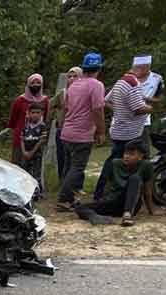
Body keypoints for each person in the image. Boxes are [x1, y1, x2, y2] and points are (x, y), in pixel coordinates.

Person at [57, 53, 106, 209]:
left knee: (69, 166)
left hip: (67, 132)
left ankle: (69, 198)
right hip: (82, 134)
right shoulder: (96, 85)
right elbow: (98, 110)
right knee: (77, 168)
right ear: (98, 68)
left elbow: (65, 108)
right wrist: (101, 131)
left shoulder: (74, 85)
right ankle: (64, 199)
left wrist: (62, 125)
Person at [94, 73, 151, 200]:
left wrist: (119, 111)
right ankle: (105, 193)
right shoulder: (131, 83)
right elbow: (138, 109)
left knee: (115, 162)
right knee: (125, 163)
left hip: (120, 130)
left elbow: (106, 100)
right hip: (127, 132)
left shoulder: (121, 83)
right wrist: (151, 108)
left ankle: (105, 192)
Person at [73, 139, 153, 226]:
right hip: (114, 202)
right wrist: (102, 200)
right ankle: (95, 217)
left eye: (131, 154)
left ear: (141, 156)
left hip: (132, 205)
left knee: (135, 179)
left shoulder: (146, 165)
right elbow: (107, 184)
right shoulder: (115, 163)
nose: (126, 156)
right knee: (80, 208)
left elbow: (147, 190)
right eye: (125, 153)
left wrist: (151, 211)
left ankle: (127, 215)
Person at [8, 74, 49, 164]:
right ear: (28, 84)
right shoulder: (20, 100)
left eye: (38, 82)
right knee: (17, 164)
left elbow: (46, 118)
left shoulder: (45, 100)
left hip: (37, 138)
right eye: (33, 82)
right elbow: (13, 120)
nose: (35, 85)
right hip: (21, 137)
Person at [50, 67, 82, 180]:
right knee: (62, 157)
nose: (72, 79)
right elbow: (49, 106)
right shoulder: (62, 93)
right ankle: (62, 182)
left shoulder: (84, 93)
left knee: (75, 159)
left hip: (78, 131)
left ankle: (74, 183)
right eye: (69, 76)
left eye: (75, 76)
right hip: (62, 130)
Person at [132, 55, 164, 148]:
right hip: (126, 118)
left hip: (143, 119)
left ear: (147, 67)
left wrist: (145, 98)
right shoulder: (129, 77)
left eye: (140, 68)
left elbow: (160, 99)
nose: (137, 70)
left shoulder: (157, 79)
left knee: (143, 147)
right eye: (136, 67)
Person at [20, 103, 47, 190]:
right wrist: (24, 152)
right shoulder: (26, 126)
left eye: (37, 112)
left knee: (36, 174)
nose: (35, 115)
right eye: (33, 112)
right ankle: (25, 190)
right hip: (25, 154)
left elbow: (42, 141)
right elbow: (22, 139)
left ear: (42, 113)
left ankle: (36, 192)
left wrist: (32, 152)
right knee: (25, 172)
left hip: (37, 154)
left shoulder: (43, 126)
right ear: (29, 113)